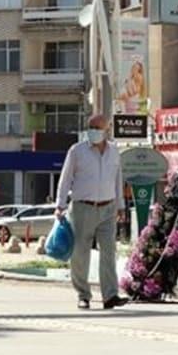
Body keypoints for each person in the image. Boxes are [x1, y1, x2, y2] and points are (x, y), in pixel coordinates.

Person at [55, 114, 129, 311]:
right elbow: (65, 178)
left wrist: (121, 206)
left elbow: (117, 180)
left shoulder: (114, 151)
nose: (93, 131)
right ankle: (83, 294)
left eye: (97, 127)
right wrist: (60, 204)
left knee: (108, 252)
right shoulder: (77, 150)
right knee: (80, 252)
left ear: (107, 130)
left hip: (108, 207)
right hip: (82, 207)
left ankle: (110, 295)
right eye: (90, 127)